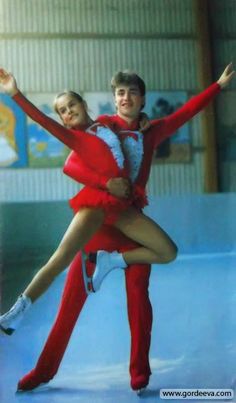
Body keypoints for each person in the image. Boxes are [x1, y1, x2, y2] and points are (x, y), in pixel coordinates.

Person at [1, 63, 235, 394]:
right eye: (120, 92)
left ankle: (139, 372)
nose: (125, 97)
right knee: (69, 303)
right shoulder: (102, 126)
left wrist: (218, 86)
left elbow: (187, 111)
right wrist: (104, 183)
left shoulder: (151, 130)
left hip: (132, 225)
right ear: (113, 100)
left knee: (140, 300)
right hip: (100, 220)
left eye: (132, 92)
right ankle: (43, 370)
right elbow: (70, 161)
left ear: (142, 100)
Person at [0, 67, 179, 334]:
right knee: (59, 259)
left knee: (168, 251)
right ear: (62, 119)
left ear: (84, 105)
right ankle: (15, 313)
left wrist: (144, 117)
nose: (68, 111)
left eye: (72, 104)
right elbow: (41, 121)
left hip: (121, 209)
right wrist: (15, 93)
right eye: (62, 110)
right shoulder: (75, 138)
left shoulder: (106, 125)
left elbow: (129, 121)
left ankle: (112, 260)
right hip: (95, 205)